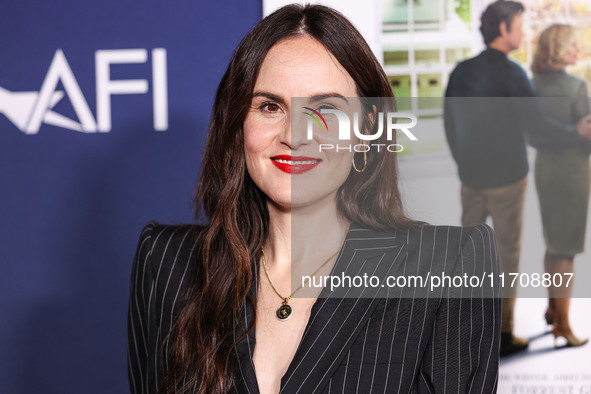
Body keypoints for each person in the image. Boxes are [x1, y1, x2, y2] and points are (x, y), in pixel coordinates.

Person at [128, 5, 500, 394]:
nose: (296, 134)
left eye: (326, 108)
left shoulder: (450, 265)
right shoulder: (167, 264)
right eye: (270, 106)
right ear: (239, 122)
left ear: (367, 128)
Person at [444, 0, 591, 357]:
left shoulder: (462, 71)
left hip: (472, 180)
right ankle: (503, 336)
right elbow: (536, 124)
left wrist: (463, 164)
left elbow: (450, 121)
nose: (524, 33)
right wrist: (575, 134)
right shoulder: (513, 74)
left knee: (468, 256)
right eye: (520, 26)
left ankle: (464, 334)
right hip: (508, 181)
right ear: (505, 29)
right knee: (505, 258)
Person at [530, 24, 590, 348]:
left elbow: (532, 132)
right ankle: (564, 326)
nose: (577, 51)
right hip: (571, 171)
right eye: (571, 46)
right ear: (557, 49)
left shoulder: (532, 86)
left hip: (545, 169)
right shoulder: (577, 86)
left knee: (553, 243)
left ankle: (554, 308)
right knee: (566, 249)